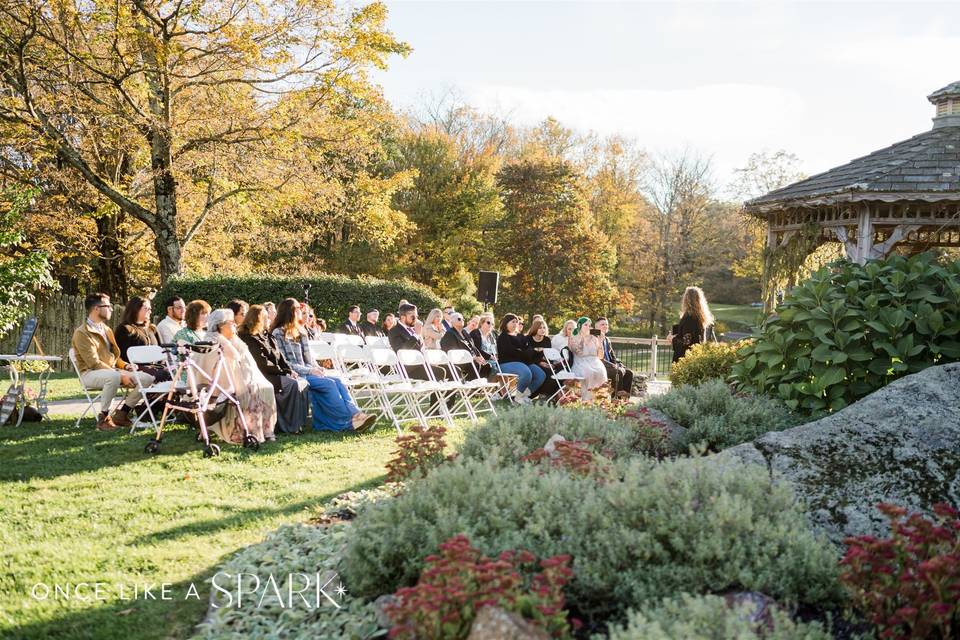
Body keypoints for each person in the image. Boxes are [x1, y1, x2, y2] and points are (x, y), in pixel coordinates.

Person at [271, 298, 375, 432]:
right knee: (328, 384)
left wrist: (316, 367)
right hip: (296, 374)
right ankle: (349, 421)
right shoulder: (278, 333)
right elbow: (286, 363)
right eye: (298, 309)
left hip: (308, 371)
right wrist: (310, 371)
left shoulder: (301, 332)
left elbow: (308, 358)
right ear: (289, 312)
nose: (301, 311)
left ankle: (355, 415)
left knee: (337, 381)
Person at [71, 293, 154, 431]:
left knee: (146, 378)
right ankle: (104, 418)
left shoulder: (106, 329)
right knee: (114, 377)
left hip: (111, 371)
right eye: (108, 306)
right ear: (97, 308)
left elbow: (114, 358)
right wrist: (121, 375)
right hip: (90, 373)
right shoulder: (82, 333)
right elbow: (93, 363)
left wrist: (125, 366)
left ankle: (122, 414)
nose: (111, 309)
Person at [197, 309, 277, 444]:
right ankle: (241, 432)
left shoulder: (235, 340)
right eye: (231, 322)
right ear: (220, 325)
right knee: (251, 390)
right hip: (220, 384)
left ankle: (265, 430)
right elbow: (212, 369)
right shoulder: (212, 341)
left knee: (265, 386)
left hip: (240, 379)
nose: (235, 324)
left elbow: (249, 365)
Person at [239, 304, 309, 434]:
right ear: (258, 320)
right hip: (263, 375)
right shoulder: (249, 337)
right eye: (266, 318)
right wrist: (284, 372)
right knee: (293, 384)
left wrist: (289, 370)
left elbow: (281, 357)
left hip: (276, 372)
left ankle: (299, 423)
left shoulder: (267, 335)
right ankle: (288, 426)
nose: (269, 320)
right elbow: (262, 363)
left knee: (302, 382)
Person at [114, 296, 171, 382]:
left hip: (156, 367)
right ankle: (155, 395)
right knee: (164, 375)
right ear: (136, 309)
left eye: (150, 309)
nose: (150, 311)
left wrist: (164, 365)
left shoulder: (152, 329)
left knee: (176, 372)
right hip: (136, 368)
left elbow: (161, 350)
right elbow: (122, 354)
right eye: (146, 308)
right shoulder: (125, 329)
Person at [388, 303, 447, 381]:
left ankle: (450, 393)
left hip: (422, 363)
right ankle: (435, 392)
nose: (415, 319)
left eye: (416, 316)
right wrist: (416, 335)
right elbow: (400, 349)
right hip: (408, 368)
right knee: (440, 372)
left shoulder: (413, 329)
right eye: (412, 317)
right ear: (402, 317)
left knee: (451, 370)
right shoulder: (394, 331)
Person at [496, 313, 545, 403]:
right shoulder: (502, 337)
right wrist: (523, 352)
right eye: (513, 322)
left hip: (523, 362)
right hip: (506, 363)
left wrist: (524, 351)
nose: (515, 324)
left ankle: (521, 396)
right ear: (506, 323)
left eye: (517, 322)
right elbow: (510, 352)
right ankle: (518, 398)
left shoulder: (520, 337)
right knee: (526, 373)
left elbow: (528, 350)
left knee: (540, 375)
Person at [670, 286, 718, 362]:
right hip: (697, 358)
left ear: (686, 300)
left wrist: (672, 339)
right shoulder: (700, 318)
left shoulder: (689, 318)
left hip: (685, 360)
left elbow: (686, 342)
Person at [440, 312, 489, 380]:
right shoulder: (449, 334)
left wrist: (480, 356)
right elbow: (452, 353)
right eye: (459, 319)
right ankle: (472, 387)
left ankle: (482, 388)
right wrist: (472, 358)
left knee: (487, 365)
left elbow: (473, 347)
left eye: (463, 319)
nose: (462, 320)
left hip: (471, 359)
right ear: (452, 321)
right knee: (476, 364)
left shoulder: (464, 332)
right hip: (461, 361)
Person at [569, 317, 608, 401]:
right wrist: (583, 338)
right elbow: (579, 353)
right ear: (579, 326)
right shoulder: (574, 337)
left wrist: (600, 341)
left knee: (601, 372)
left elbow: (601, 356)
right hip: (581, 362)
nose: (588, 327)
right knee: (589, 372)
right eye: (585, 325)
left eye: (589, 325)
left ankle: (599, 399)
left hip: (595, 362)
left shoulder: (594, 338)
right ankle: (586, 400)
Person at [595, 317, 634, 399]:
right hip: (601, 366)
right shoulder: (594, 339)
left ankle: (625, 398)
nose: (605, 326)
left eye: (606, 324)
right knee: (618, 372)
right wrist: (613, 365)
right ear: (596, 327)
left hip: (611, 365)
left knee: (629, 373)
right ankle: (616, 399)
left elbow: (612, 355)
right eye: (602, 324)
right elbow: (598, 358)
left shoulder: (607, 339)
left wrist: (616, 364)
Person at [524, 317, 560, 400]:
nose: (542, 330)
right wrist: (540, 362)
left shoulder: (547, 340)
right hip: (530, 363)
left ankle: (547, 395)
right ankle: (530, 395)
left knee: (553, 372)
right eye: (540, 328)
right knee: (546, 373)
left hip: (543, 362)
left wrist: (549, 363)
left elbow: (548, 355)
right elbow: (528, 356)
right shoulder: (528, 339)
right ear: (535, 328)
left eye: (544, 328)